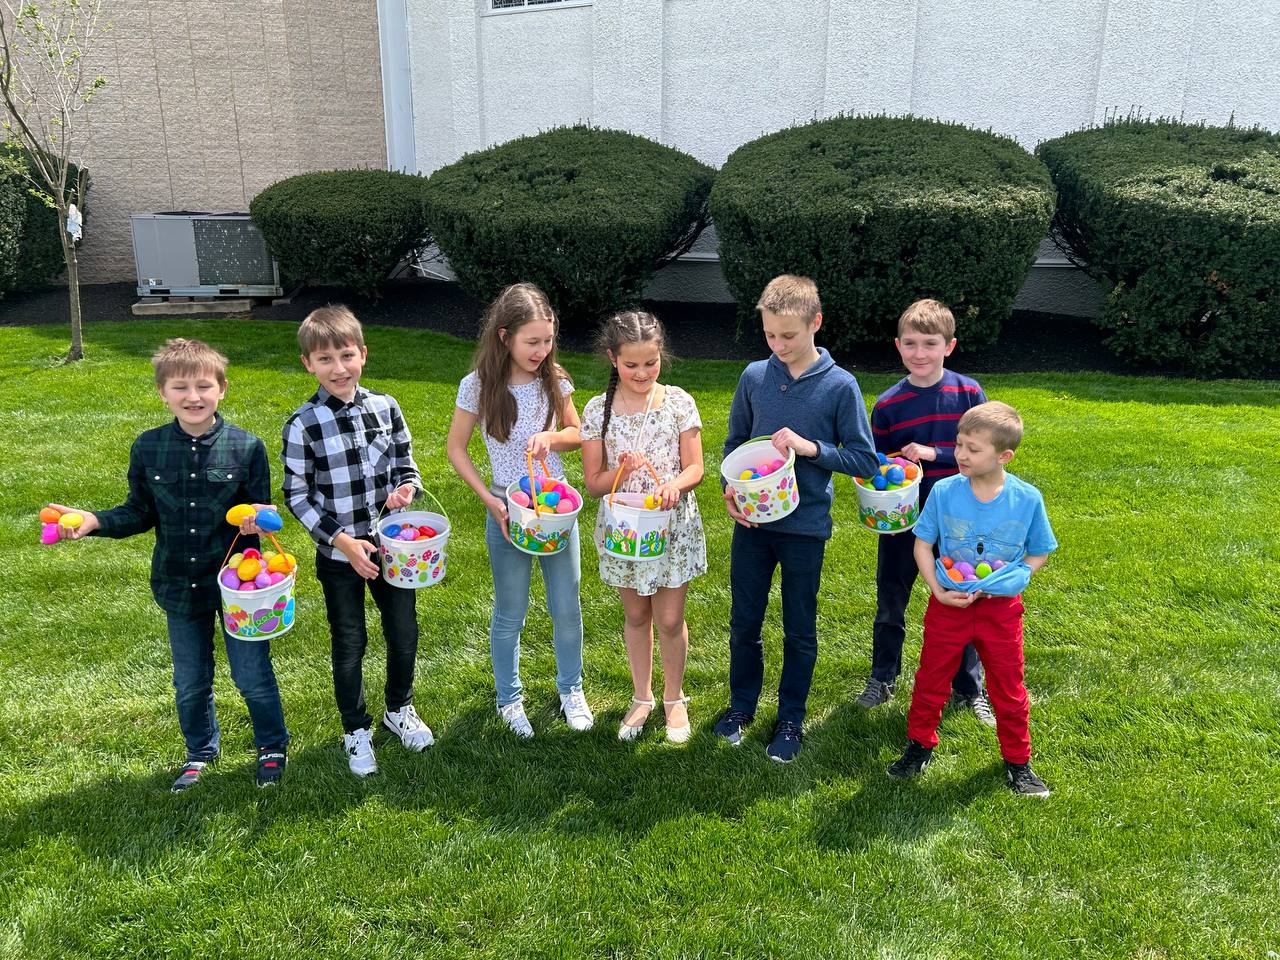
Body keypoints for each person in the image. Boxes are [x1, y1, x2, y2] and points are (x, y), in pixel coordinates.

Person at [47, 338, 289, 791]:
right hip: (179, 584)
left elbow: (264, 511)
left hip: (240, 588)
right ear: (163, 392)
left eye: (203, 386)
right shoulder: (148, 448)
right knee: (190, 681)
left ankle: (272, 745)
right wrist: (94, 521)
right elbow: (139, 511)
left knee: (252, 674)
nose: (193, 396)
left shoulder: (247, 448)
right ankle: (200, 751)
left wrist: (260, 521)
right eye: (181, 387)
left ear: (223, 389)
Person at [713, 275, 880, 763]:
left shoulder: (840, 386)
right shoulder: (754, 377)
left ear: (816, 323)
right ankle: (741, 707)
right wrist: (731, 489)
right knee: (744, 620)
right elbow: (735, 444)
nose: (779, 346)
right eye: (770, 335)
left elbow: (864, 460)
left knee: (799, 627)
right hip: (754, 526)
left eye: (789, 335)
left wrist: (812, 450)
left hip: (805, 528)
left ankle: (791, 718)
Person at [282, 305, 432, 777]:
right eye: (325, 359)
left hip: (392, 547)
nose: (338, 368)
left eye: (346, 355)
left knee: (403, 632)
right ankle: (355, 728)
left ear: (363, 355)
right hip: (339, 553)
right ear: (309, 364)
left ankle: (398, 710)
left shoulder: (386, 407)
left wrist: (407, 489)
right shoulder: (302, 424)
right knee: (349, 640)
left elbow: (407, 466)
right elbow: (296, 494)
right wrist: (342, 541)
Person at [886, 401, 1058, 797]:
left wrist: (1017, 576)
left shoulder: (1027, 498)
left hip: (1000, 611)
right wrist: (937, 589)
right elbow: (923, 544)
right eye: (959, 444)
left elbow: (1039, 550)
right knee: (931, 678)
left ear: (1004, 455)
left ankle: (1019, 761)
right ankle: (919, 745)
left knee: (1009, 687)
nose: (960, 454)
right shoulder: (945, 492)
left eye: (972, 449)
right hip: (948, 605)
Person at [446, 283, 592, 739]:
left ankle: (572, 689)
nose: (541, 350)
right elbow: (456, 449)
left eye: (547, 340)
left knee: (566, 606)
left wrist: (552, 438)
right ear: (504, 336)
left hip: (556, 509)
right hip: (508, 507)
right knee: (510, 609)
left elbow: (580, 432)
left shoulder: (555, 379)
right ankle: (509, 698)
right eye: (532, 341)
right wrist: (489, 500)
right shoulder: (479, 386)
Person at [857, 298, 994, 725]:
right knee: (891, 598)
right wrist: (883, 478)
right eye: (911, 344)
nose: (920, 353)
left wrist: (934, 454)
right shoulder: (888, 405)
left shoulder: (968, 393)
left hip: (957, 519)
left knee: (961, 597)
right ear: (898, 346)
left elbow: (985, 455)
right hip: (903, 520)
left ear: (949, 346)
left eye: (930, 344)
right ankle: (883, 676)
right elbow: (877, 464)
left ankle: (969, 687)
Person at [580, 310, 706, 743]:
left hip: (671, 527)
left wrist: (673, 484)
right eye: (631, 365)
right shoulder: (598, 410)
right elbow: (594, 485)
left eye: (650, 363)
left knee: (669, 619)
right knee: (636, 614)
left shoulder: (678, 401)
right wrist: (620, 471)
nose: (642, 373)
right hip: (625, 531)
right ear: (613, 359)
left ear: (661, 356)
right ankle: (641, 696)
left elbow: (696, 468)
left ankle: (674, 698)